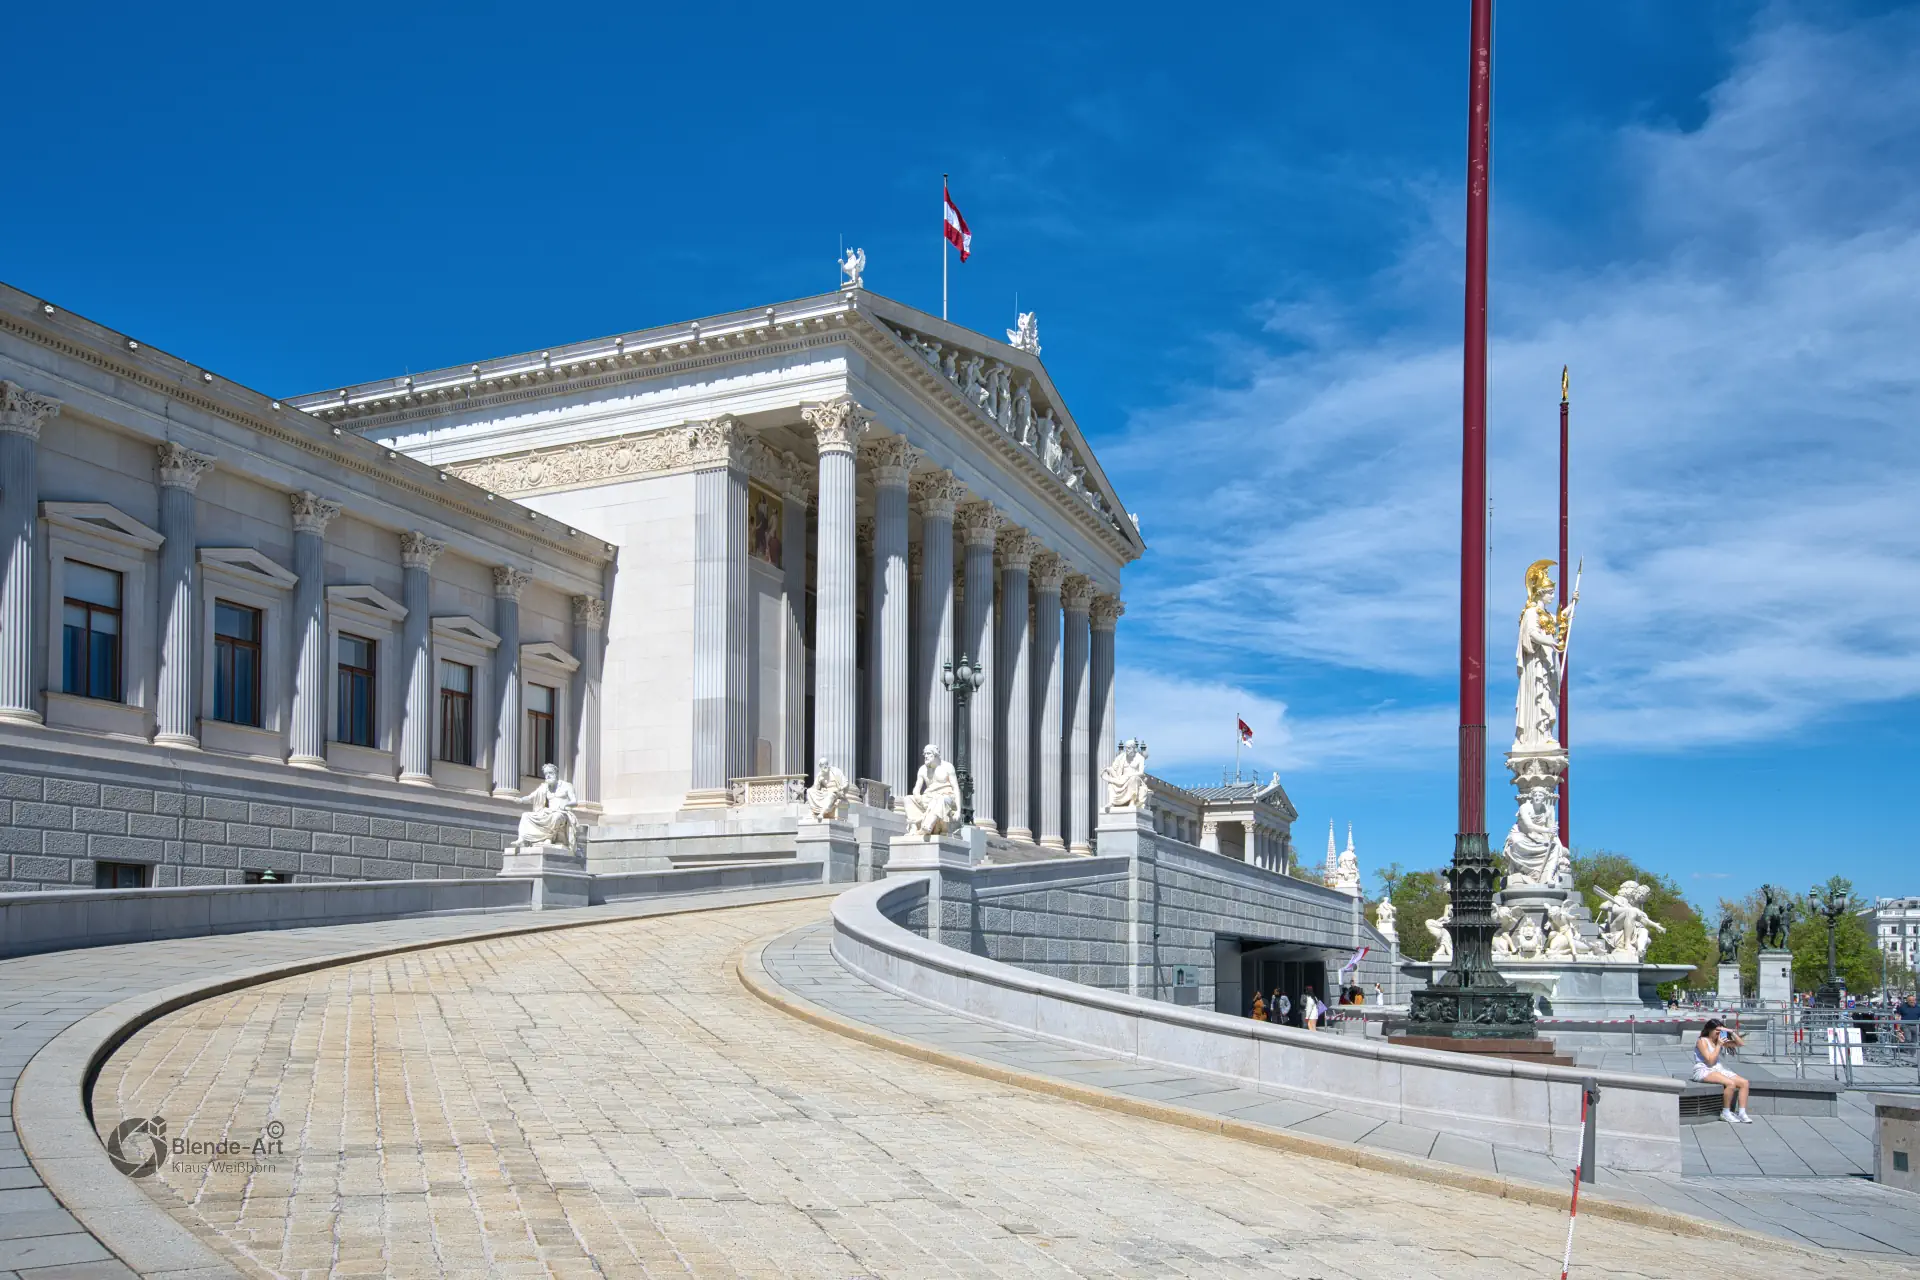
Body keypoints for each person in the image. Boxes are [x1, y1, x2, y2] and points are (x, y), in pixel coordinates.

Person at [1694, 1019, 1751, 1123]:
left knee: (1744, 1083)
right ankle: (1725, 1112)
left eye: (1721, 1031)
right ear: (1709, 1030)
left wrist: (1731, 1032)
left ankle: (1742, 1113)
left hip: (1718, 1068)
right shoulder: (1702, 1041)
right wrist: (1719, 1045)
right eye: (1717, 1030)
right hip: (1704, 1069)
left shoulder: (1719, 1040)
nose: (1719, 1033)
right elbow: (1710, 1061)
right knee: (1730, 1083)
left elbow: (1740, 1044)